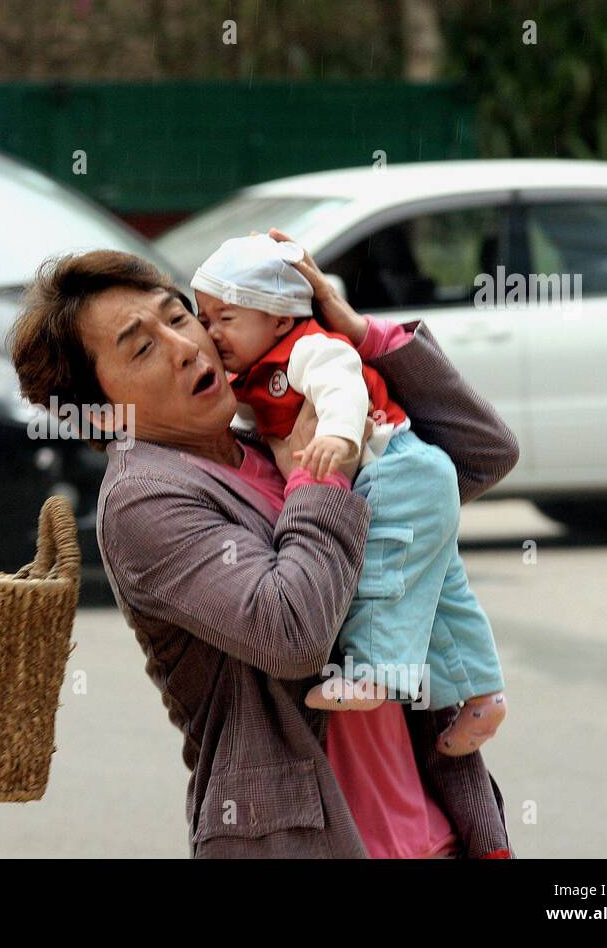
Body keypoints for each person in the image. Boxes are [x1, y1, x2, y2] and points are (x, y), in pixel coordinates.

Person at [7, 232, 518, 857]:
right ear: (103, 415)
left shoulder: (268, 433)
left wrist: (357, 333)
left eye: (178, 316)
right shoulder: (144, 502)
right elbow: (290, 632)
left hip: (440, 830)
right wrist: (322, 472)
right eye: (142, 348)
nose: (185, 346)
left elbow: (481, 451)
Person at [191, 233, 507, 757]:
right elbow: (248, 424)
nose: (212, 331)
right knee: (440, 586)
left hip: (396, 466)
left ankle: (372, 675)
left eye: (227, 317)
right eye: (205, 318)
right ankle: (482, 691)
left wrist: (337, 433)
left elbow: (343, 385)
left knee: (383, 569)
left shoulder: (308, 347)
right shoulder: (249, 375)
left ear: (278, 317)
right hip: (414, 475)